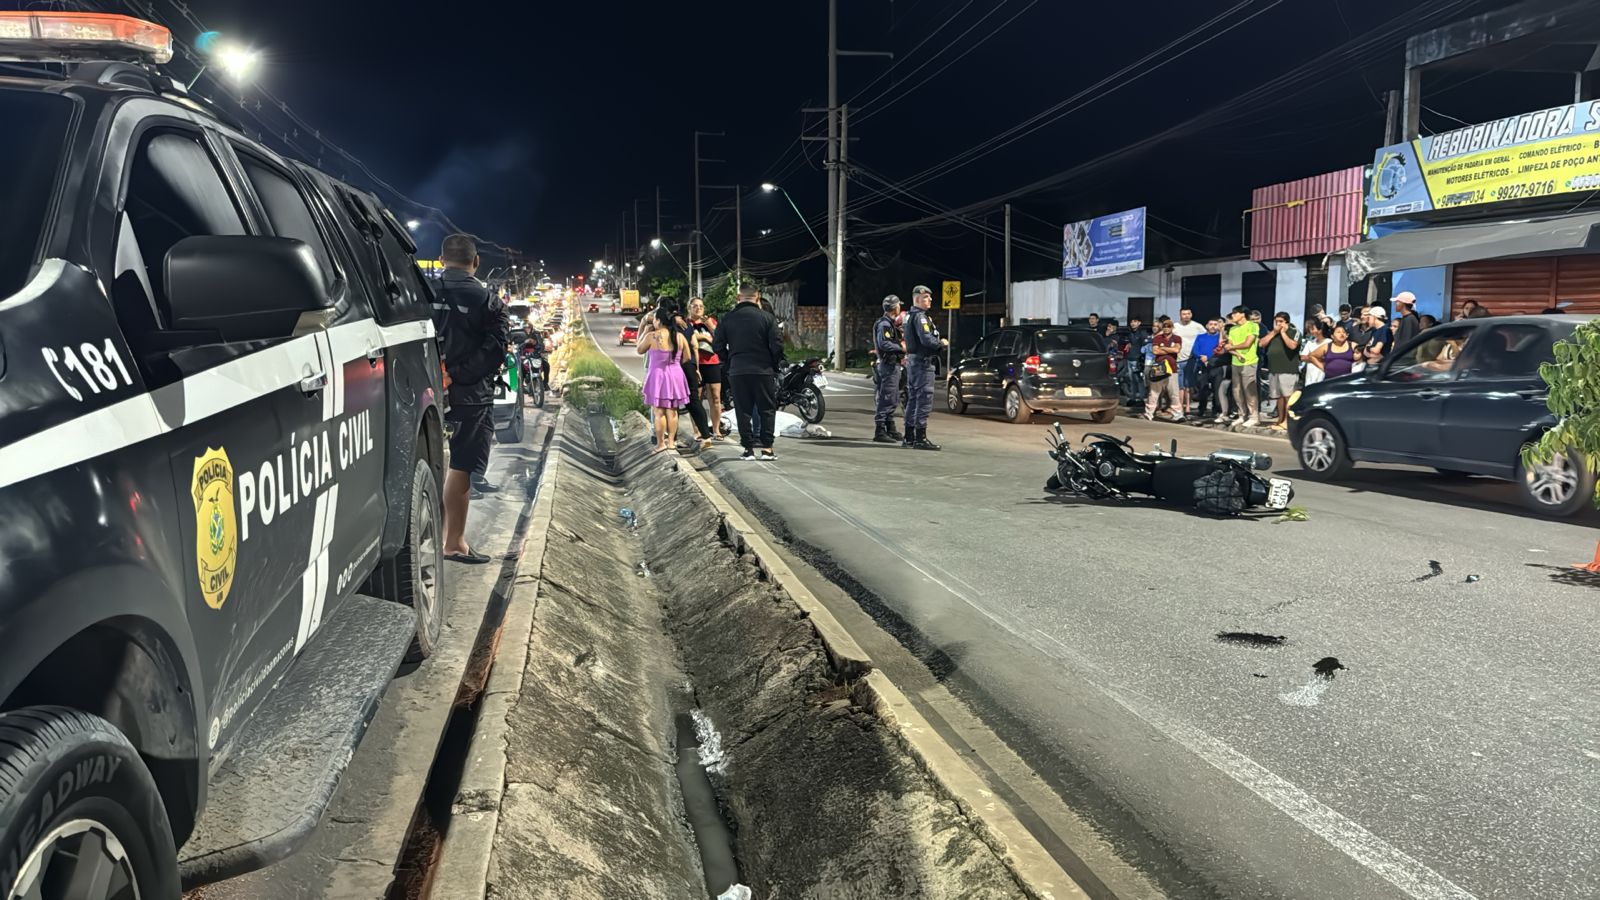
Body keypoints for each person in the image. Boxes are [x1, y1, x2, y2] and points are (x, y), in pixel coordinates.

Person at [433, 233, 508, 565]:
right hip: (470, 397)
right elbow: (494, 351)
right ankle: (454, 543)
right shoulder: (489, 301)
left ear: (441, 260)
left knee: (430, 463)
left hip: (420, 390)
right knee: (460, 467)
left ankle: (435, 540)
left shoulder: (422, 293)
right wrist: (458, 374)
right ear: (476, 262)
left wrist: (440, 372)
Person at [712, 285, 784, 461]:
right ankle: (767, 448)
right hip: (763, 370)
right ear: (757, 297)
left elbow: (717, 346)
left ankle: (748, 449)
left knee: (743, 409)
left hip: (738, 370)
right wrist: (773, 364)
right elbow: (777, 345)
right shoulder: (767, 318)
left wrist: (730, 360)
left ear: (738, 297)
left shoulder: (727, 319)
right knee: (766, 409)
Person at [636, 306, 693, 453]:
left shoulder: (653, 336)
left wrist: (644, 331)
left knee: (659, 411)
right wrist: (675, 364)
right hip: (676, 375)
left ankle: (661, 443)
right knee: (672, 411)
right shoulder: (679, 337)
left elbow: (639, 350)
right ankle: (672, 442)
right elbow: (687, 357)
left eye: (654, 319)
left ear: (659, 320)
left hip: (658, 375)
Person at [663, 298, 714, 450]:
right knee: (694, 400)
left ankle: (672, 439)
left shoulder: (664, 323)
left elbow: (649, 320)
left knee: (672, 402)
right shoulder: (686, 324)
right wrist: (696, 368)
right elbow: (695, 346)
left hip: (674, 365)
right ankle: (706, 437)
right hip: (690, 364)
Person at [902, 285, 948, 450]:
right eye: (927, 297)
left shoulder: (909, 316)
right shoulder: (920, 317)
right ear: (917, 299)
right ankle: (920, 438)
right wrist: (940, 344)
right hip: (923, 362)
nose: (930, 300)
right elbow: (926, 339)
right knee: (924, 399)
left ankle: (909, 437)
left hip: (914, 361)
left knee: (913, 399)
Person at [687, 297, 727, 439]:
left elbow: (720, 338)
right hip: (695, 363)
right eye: (695, 306)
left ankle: (716, 430)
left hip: (712, 362)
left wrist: (710, 326)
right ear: (689, 308)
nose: (698, 308)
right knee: (696, 398)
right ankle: (697, 431)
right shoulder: (686, 323)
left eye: (701, 306)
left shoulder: (710, 321)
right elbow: (687, 338)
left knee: (715, 397)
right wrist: (704, 338)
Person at [872, 294, 907, 444]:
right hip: (889, 365)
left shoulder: (889, 323)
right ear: (895, 307)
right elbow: (884, 343)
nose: (900, 307)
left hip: (891, 365)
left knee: (891, 398)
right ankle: (880, 431)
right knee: (887, 398)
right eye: (899, 305)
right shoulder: (884, 324)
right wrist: (902, 348)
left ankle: (890, 428)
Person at [1258, 312, 1299, 431]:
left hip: (1288, 369)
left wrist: (1283, 333)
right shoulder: (1273, 333)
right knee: (1279, 397)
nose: (1278, 324)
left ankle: (1288, 421)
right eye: (1277, 321)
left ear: (1287, 322)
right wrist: (1274, 332)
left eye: (1281, 321)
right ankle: (1280, 420)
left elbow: (1292, 346)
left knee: (1288, 397)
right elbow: (1261, 343)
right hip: (1274, 369)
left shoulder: (1294, 331)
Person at [1221, 306, 1260, 426]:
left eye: (1234, 313)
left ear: (1242, 314)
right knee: (1236, 391)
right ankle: (1242, 415)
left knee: (1249, 390)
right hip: (1235, 362)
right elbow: (1229, 346)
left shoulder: (1253, 326)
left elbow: (1247, 344)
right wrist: (1235, 353)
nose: (1232, 316)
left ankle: (1254, 417)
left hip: (1249, 362)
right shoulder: (1233, 329)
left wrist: (1231, 348)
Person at [1146, 318, 1182, 420]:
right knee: (1154, 392)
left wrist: (1163, 348)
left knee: (1174, 392)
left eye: (1169, 327)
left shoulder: (1177, 338)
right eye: (1165, 327)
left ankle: (1178, 414)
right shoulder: (1157, 338)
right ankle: (1149, 413)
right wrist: (1169, 350)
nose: (1166, 329)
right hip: (1159, 367)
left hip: (1172, 368)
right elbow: (1155, 351)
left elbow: (1176, 349)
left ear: (1172, 328)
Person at [1172, 308, 1205, 414]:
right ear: (1180, 315)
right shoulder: (1175, 326)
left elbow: (1204, 338)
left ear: (1191, 314)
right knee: (1179, 385)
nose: (1186, 316)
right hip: (1177, 359)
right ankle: (1180, 406)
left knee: (1188, 385)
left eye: (1188, 314)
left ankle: (1188, 407)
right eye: (1183, 314)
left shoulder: (1198, 326)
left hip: (1191, 359)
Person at [1190, 318, 1222, 420]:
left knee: (1217, 390)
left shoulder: (1220, 338)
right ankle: (1201, 409)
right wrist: (1201, 356)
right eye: (1211, 324)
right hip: (1202, 366)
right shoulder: (1200, 337)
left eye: (1215, 324)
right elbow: (1195, 350)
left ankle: (1216, 410)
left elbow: (1220, 350)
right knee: (1203, 389)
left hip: (1216, 366)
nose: (1213, 326)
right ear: (1207, 326)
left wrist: (1208, 357)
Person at [1299, 318, 1331, 387]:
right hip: (1310, 375)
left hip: (1323, 374)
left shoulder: (1329, 342)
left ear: (1320, 328)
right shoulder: (1310, 343)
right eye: (1309, 330)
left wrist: (1311, 358)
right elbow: (1302, 357)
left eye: (1313, 329)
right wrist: (1317, 358)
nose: (1311, 332)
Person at [1359, 305, 1392, 370]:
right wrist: (1370, 350)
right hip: (1371, 365)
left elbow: (1376, 350)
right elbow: (1366, 351)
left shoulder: (1385, 330)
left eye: (1369, 317)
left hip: (1379, 367)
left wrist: (1368, 349)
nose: (1368, 320)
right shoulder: (1374, 330)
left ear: (1374, 317)